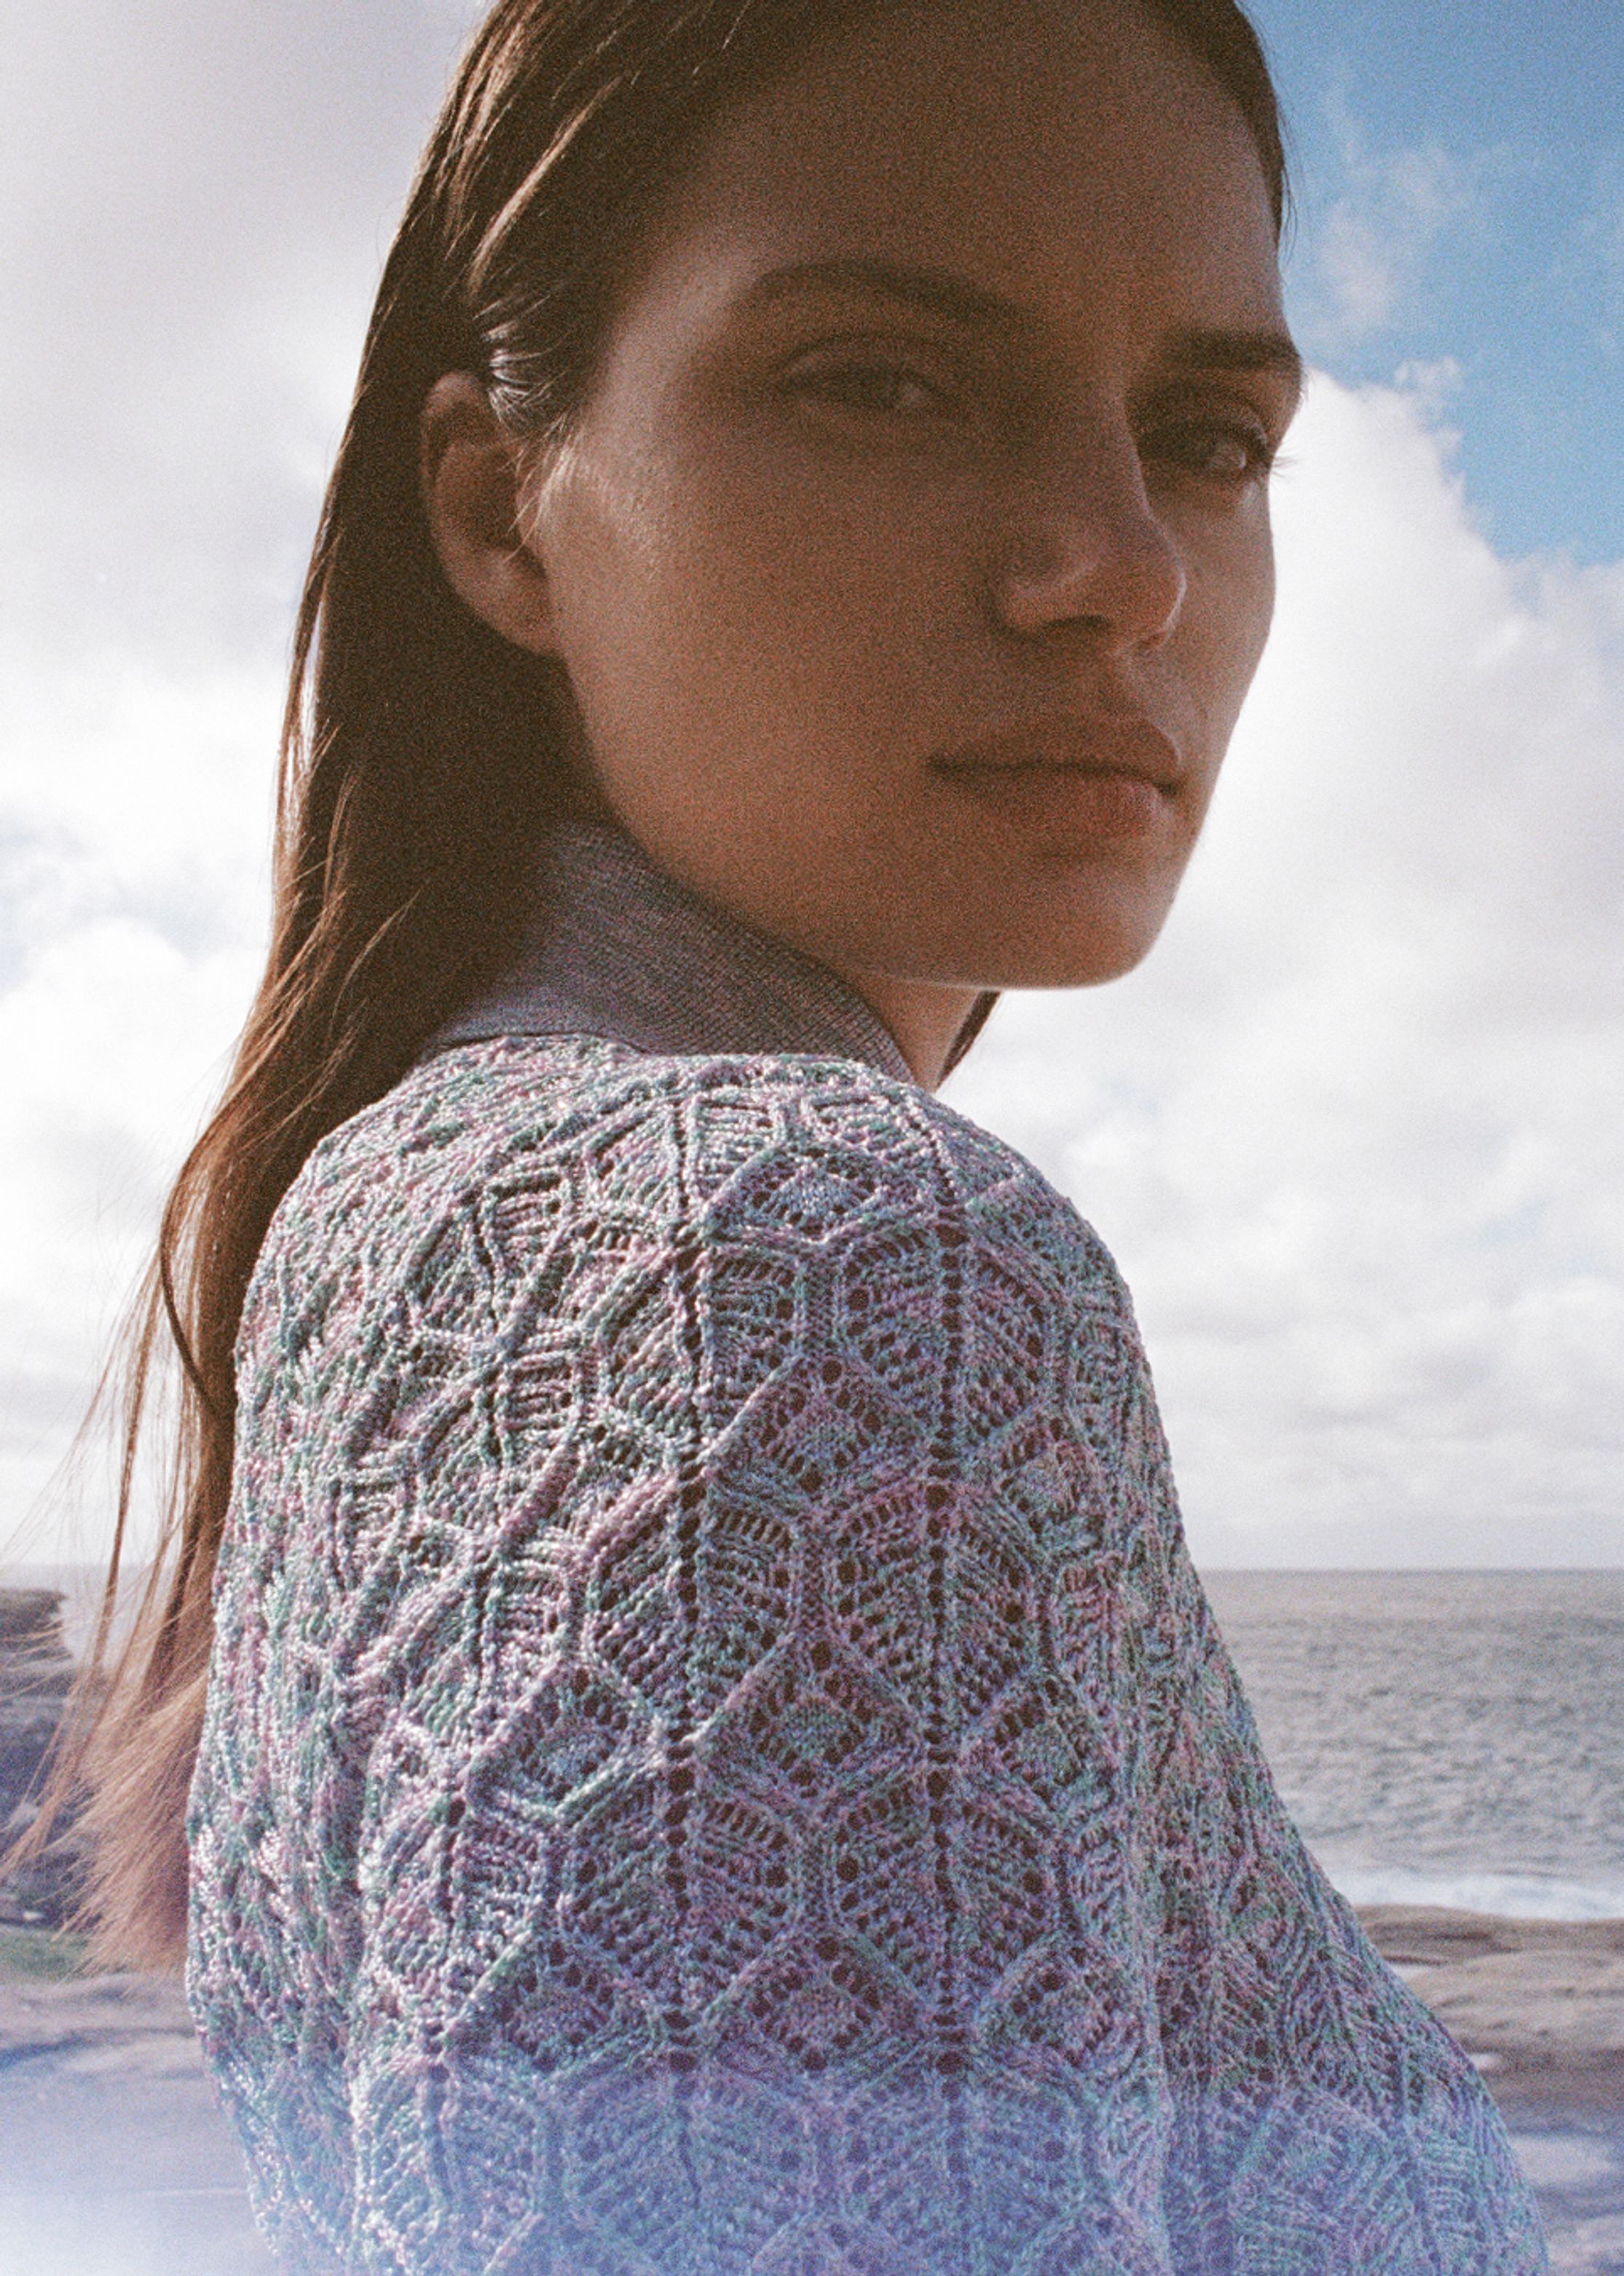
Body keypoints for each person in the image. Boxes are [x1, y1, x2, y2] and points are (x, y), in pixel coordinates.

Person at [44, 0, 1548, 2267]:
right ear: (499, 513)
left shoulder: (404, 1202)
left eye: (1208, 434)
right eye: (881, 377)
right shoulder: (814, 1250)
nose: (1117, 565)